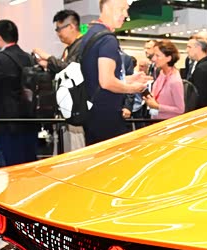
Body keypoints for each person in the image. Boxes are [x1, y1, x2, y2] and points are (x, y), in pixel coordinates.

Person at [78, 0, 151, 145]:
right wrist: (133, 88)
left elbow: (96, 76)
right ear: (106, 7)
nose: (126, 14)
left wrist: (129, 79)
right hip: (107, 115)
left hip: (92, 111)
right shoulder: (107, 40)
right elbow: (106, 82)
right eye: (122, 9)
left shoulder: (90, 34)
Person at [33, 10, 85, 150]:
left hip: (77, 108)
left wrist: (49, 58)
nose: (58, 33)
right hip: (69, 108)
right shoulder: (70, 49)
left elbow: (71, 70)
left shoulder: (81, 46)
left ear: (71, 26)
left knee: (79, 149)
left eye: (59, 29)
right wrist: (48, 65)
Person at [0, 19, 37, 166]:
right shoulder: (28, 57)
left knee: (10, 164)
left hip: (7, 121)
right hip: (29, 118)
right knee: (30, 162)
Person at [145, 40, 184, 120]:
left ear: (168, 58)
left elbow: (180, 109)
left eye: (157, 56)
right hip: (155, 120)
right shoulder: (162, 73)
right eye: (154, 55)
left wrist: (157, 106)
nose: (154, 59)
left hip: (167, 123)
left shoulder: (175, 81)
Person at [185, 37, 207, 109]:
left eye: (189, 47)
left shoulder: (202, 69)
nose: (187, 50)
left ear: (198, 48)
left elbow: (199, 97)